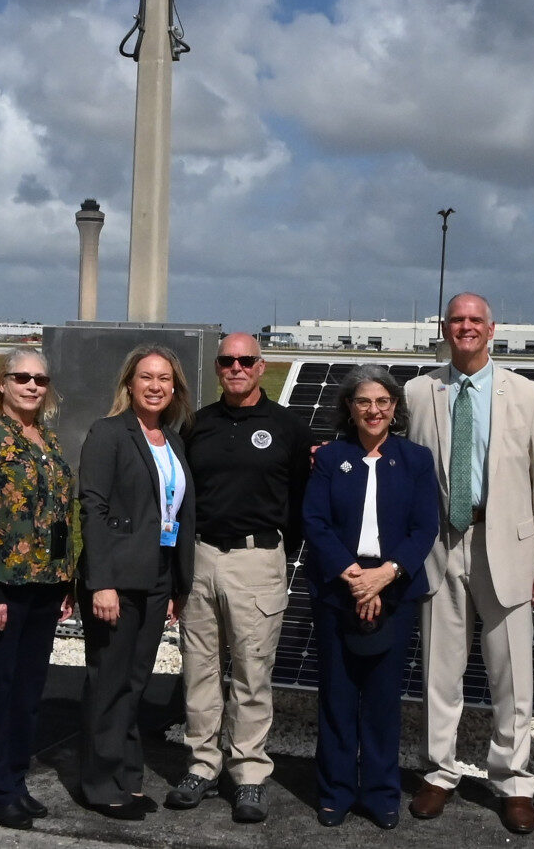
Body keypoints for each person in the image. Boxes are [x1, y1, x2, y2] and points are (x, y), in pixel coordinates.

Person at [404, 293, 534, 834]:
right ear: (444, 329)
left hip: (507, 546)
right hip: (440, 544)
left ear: (491, 329)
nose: (465, 328)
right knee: (439, 669)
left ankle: (513, 779)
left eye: (475, 320)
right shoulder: (417, 392)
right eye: (457, 320)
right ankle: (439, 771)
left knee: (511, 673)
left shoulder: (527, 395)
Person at [164, 333, 314, 824]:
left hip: (258, 559)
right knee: (199, 669)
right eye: (227, 361)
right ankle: (203, 764)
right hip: (201, 557)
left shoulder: (288, 426)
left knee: (252, 672)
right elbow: (180, 498)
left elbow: (300, 499)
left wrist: (277, 556)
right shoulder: (196, 424)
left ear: (261, 366)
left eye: (245, 360)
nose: (236, 368)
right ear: (218, 367)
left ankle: (248, 774)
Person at [302, 364, 439, 829]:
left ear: (395, 408)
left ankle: (381, 792)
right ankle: (335, 790)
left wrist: (384, 576)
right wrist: (354, 576)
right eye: (364, 402)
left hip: (395, 588)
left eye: (383, 402)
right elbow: (315, 523)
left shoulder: (416, 459)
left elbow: (425, 528)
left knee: (382, 698)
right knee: (338, 695)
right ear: (349, 408)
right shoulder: (328, 458)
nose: (373, 410)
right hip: (338, 588)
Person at [0, 347, 75, 831]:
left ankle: (16, 779)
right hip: (3, 586)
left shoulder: (46, 439)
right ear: (2, 382)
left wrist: (66, 579)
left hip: (45, 584)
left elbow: (60, 516)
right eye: (22, 377)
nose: (31, 386)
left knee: (28, 691)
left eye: (41, 380)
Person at [76, 344, 197, 820]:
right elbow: (93, 507)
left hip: (158, 576)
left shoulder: (173, 441)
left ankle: (127, 777)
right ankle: (100, 784)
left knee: (134, 683)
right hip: (117, 581)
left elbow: (174, 514)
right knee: (108, 682)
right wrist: (101, 582)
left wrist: (174, 586)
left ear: (175, 388)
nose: (155, 386)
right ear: (129, 384)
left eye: (164, 378)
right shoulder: (109, 434)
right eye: (146, 377)